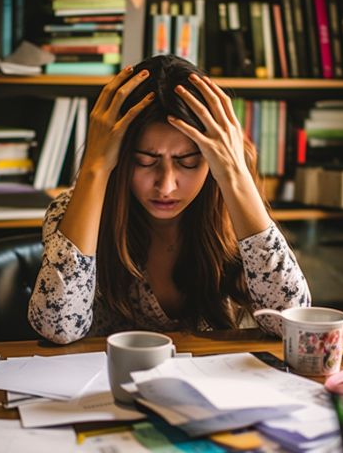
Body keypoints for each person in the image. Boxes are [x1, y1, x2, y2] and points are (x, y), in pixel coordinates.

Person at [28, 55, 311, 345]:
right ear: (121, 158)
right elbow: (58, 327)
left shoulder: (231, 206)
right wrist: (95, 168)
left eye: (187, 162)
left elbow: (292, 322)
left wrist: (235, 175)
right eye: (145, 160)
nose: (165, 185)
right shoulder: (71, 211)